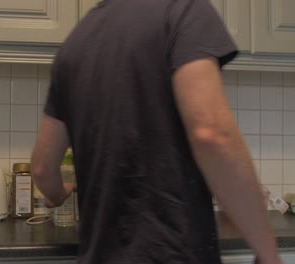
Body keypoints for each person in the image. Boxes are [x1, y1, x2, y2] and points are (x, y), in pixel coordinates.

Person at [31, 0, 282, 263]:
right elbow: (211, 133)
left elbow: (41, 168)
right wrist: (267, 253)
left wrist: (59, 193)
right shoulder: (183, 9)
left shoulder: (74, 45)